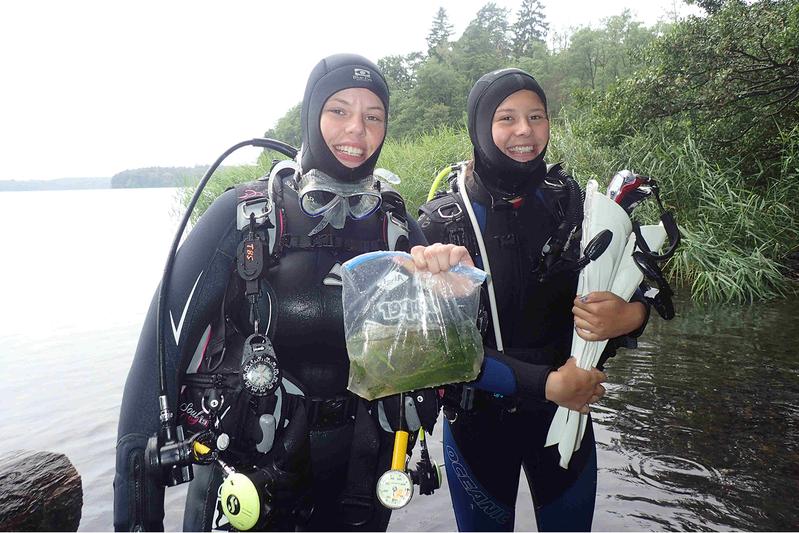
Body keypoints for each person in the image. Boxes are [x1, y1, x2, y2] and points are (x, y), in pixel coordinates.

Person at [113, 53, 444, 532]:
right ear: (311, 115)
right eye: (339, 111)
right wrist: (136, 519)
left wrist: (452, 289)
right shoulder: (244, 218)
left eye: (373, 116)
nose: (357, 129)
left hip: (359, 479)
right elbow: (153, 368)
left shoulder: (396, 229)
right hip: (247, 487)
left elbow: (444, 356)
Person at [416, 68, 649, 532]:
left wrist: (630, 315)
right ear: (480, 127)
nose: (524, 131)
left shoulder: (575, 205)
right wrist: (547, 383)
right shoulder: (444, 224)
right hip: (479, 424)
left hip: (566, 416)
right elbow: (436, 351)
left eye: (536, 116)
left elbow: (644, 282)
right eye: (506, 118)